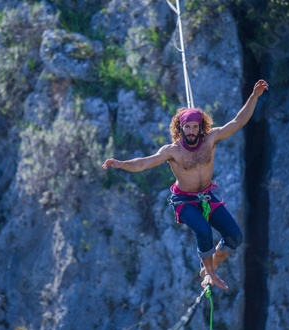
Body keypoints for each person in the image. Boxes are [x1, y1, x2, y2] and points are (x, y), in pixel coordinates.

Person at [102, 80, 269, 290]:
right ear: (180, 128)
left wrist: (254, 96)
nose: (191, 131)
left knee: (234, 237)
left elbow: (238, 121)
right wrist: (121, 164)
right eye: (187, 127)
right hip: (185, 200)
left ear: (201, 127)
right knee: (203, 229)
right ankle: (209, 273)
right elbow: (144, 163)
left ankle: (211, 265)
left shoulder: (211, 139)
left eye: (195, 126)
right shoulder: (173, 151)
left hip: (207, 196)